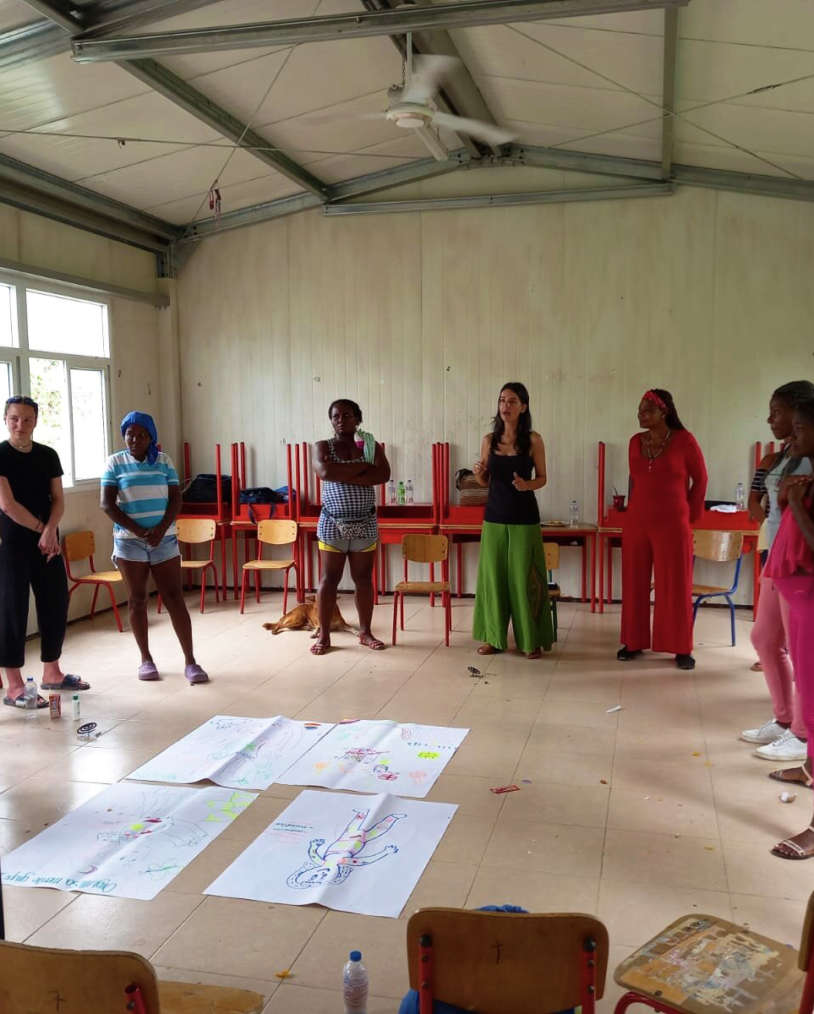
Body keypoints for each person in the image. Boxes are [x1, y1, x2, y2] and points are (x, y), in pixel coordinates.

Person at [100, 411, 208, 684]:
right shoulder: (115, 462)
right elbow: (107, 504)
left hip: (164, 539)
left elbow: (175, 500)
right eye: (129, 434)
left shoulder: (163, 461)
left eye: (141, 435)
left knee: (174, 597)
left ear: (151, 437)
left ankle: (191, 661)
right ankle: (146, 659)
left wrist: (160, 529)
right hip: (129, 542)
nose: (134, 439)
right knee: (137, 599)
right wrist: (137, 530)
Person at [742, 381, 814, 762]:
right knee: (764, 638)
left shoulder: (807, 458)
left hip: (798, 562)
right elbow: (762, 503)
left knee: (802, 650)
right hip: (777, 555)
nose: (770, 419)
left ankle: (802, 734)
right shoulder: (785, 454)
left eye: (778, 412)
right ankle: (784, 719)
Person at [0, 395, 88, 708]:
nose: (20, 425)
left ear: (36, 421)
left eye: (27, 419)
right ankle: (13, 685)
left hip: (48, 542)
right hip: (12, 543)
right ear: (5, 419)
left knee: (55, 601)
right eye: (14, 418)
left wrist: (51, 530)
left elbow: (58, 499)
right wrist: (43, 530)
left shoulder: (48, 455)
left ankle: (52, 671)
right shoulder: (0, 455)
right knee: (12, 610)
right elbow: (7, 505)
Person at [618, 389, 707, 670]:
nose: (640, 415)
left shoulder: (685, 440)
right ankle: (633, 641)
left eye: (647, 410)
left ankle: (680, 647)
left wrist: (691, 516)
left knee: (674, 585)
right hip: (637, 522)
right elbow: (636, 480)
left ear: (663, 412)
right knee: (634, 582)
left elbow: (701, 479)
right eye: (639, 410)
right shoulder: (635, 442)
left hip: (673, 523)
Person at [762, 397, 814, 859]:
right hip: (799, 597)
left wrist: (795, 503)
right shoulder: (804, 474)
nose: (792, 438)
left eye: (799, 430)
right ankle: (810, 767)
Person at [472, 382, 553, 659]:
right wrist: (479, 473)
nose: (505, 406)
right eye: (502, 400)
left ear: (524, 407)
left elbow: (542, 477)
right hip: (494, 518)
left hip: (524, 519)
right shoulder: (488, 440)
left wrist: (527, 485)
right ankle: (494, 638)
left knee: (524, 579)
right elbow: (485, 481)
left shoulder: (534, 440)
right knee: (493, 580)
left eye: (512, 401)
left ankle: (530, 640)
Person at [311, 399, 391, 655]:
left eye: (347, 415)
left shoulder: (370, 446)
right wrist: (364, 468)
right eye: (335, 416)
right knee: (329, 579)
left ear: (358, 419)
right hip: (332, 522)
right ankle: (324, 635)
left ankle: (365, 632)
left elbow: (383, 475)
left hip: (365, 522)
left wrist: (341, 470)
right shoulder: (323, 446)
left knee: (364, 579)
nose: (340, 420)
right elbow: (325, 473)